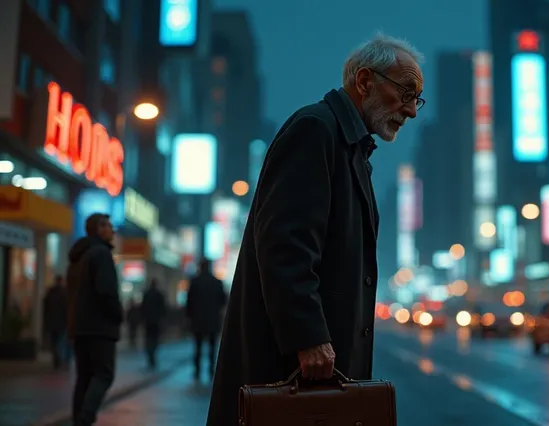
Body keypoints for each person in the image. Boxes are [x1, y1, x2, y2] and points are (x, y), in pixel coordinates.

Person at [206, 33, 424, 424]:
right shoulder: (316, 130)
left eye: (416, 98)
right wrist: (307, 337)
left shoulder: (348, 145)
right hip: (296, 365)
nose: (411, 111)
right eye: (406, 93)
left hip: (319, 368)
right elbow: (284, 245)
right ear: (364, 82)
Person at [66, 213, 123, 426]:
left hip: (80, 328)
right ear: (98, 229)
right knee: (103, 375)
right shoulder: (101, 254)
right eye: (108, 226)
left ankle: (78, 420)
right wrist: (117, 314)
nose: (112, 230)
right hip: (100, 328)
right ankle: (84, 419)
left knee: (84, 378)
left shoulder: (79, 256)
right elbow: (106, 291)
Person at [186, 259, 227, 380]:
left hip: (197, 320)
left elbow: (189, 302)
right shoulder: (217, 282)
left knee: (197, 346)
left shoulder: (194, 282)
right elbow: (223, 301)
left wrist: (189, 317)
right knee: (212, 346)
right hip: (212, 319)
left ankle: (197, 370)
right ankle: (211, 369)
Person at [43, 274, 69, 370]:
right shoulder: (65, 293)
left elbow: (46, 309)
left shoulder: (50, 293)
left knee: (55, 342)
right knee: (60, 342)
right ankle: (60, 359)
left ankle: (57, 360)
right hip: (62, 323)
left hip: (52, 322)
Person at [141, 278, 167, 369]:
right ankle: (153, 354)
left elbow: (143, 308)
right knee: (155, 339)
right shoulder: (159, 295)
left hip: (148, 321)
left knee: (149, 339)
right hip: (156, 321)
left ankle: (150, 355)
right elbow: (163, 308)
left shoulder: (146, 294)